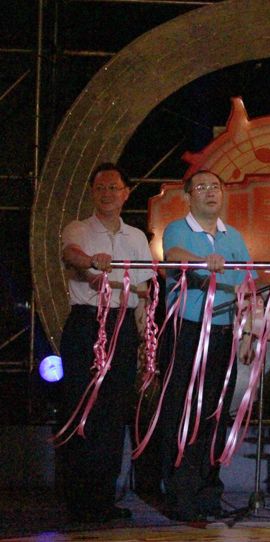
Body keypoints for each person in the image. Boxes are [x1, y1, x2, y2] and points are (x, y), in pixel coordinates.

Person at [58, 162, 153, 522]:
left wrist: (142, 333)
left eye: (114, 187)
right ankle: (77, 500)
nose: (107, 193)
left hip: (122, 325)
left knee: (114, 411)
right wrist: (92, 264)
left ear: (126, 193)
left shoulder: (137, 237)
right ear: (91, 193)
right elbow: (72, 255)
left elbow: (144, 287)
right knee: (82, 407)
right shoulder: (79, 227)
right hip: (87, 324)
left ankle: (103, 499)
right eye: (100, 187)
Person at [158, 170, 252, 521]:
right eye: (201, 187)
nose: (210, 192)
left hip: (225, 331)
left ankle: (208, 494)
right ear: (188, 196)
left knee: (216, 412)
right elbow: (173, 255)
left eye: (215, 187)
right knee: (183, 412)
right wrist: (203, 262)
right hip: (187, 330)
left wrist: (247, 333)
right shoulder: (177, 229)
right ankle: (180, 495)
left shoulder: (233, 236)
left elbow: (247, 285)